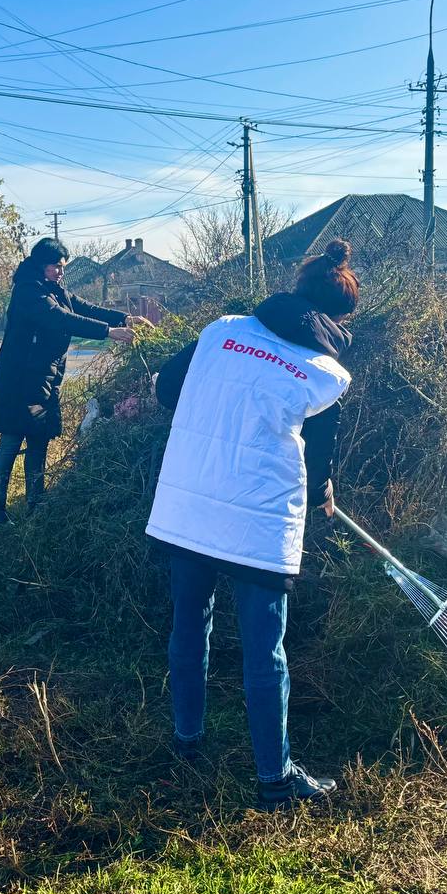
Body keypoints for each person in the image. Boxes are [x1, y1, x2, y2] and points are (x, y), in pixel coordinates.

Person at [147, 238, 359, 809]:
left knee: (189, 627)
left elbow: (167, 388)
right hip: (259, 520)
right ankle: (275, 780)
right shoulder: (324, 372)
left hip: (189, 503)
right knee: (265, 650)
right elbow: (319, 460)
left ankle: (186, 741)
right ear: (337, 318)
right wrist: (323, 494)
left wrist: (217, 424)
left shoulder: (221, 331)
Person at [0, 237, 150, 524]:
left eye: (62, 267)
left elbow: (83, 308)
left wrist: (124, 318)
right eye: (55, 267)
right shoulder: (28, 291)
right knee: (11, 441)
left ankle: (36, 505)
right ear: (40, 265)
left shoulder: (54, 288)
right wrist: (109, 332)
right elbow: (61, 319)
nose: (61, 272)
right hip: (19, 378)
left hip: (44, 378)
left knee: (40, 439)